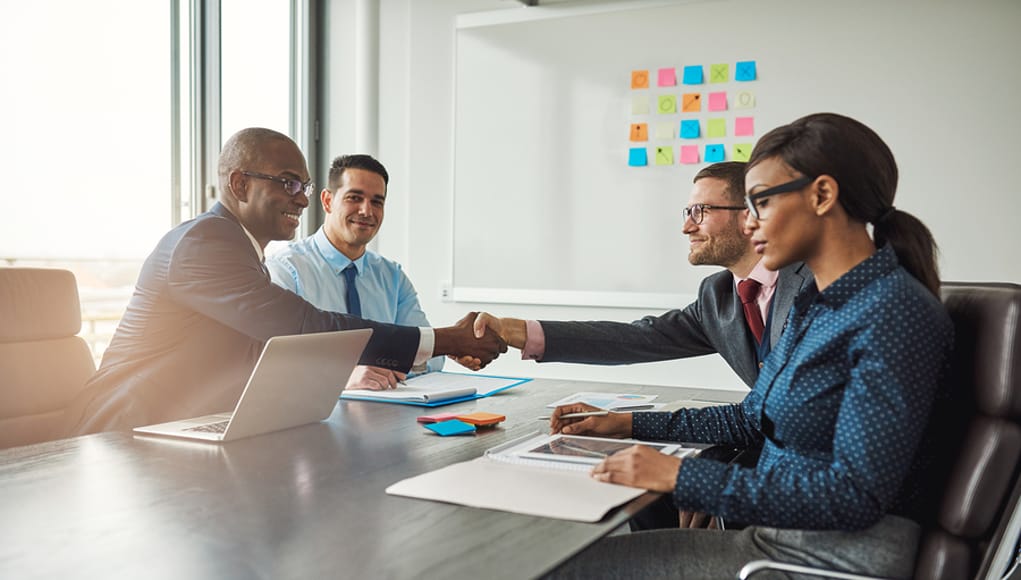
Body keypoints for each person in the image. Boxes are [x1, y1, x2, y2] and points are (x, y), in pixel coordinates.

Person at [543, 113, 954, 579]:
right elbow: (750, 417)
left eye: (759, 203)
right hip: (775, 537)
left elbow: (854, 498)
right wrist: (629, 424)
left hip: (828, 558)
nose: (749, 224)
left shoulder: (890, 312)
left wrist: (683, 476)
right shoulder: (817, 303)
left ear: (822, 195)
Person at [62, 127, 505, 436]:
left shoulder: (240, 248)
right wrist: (449, 339)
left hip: (186, 424)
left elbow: (264, 354)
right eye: (289, 183)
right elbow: (304, 328)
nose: (302, 199)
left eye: (305, 186)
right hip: (118, 432)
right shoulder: (204, 244)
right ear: (239, 183)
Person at [472, 161, 812, 529]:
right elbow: (638, 337)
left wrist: (717, 477)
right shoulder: (718, 294)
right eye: (687, 212)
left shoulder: (815, 285)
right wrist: (518, 330)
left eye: (701, 211)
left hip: (807, 478)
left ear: (749, 215)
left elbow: (786, 422)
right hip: (769, 450)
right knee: (647, 489)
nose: (687, 226)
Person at [266, 154, 442, 391]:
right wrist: (341, 377)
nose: (366, 211)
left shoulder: (393, 277)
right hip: (314, 415)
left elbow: (433, 358)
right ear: (328, 201)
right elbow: (275, 363)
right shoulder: (286, 269)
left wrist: (384, 366)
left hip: (389, 413)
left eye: (377, 202)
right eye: (354, 198)